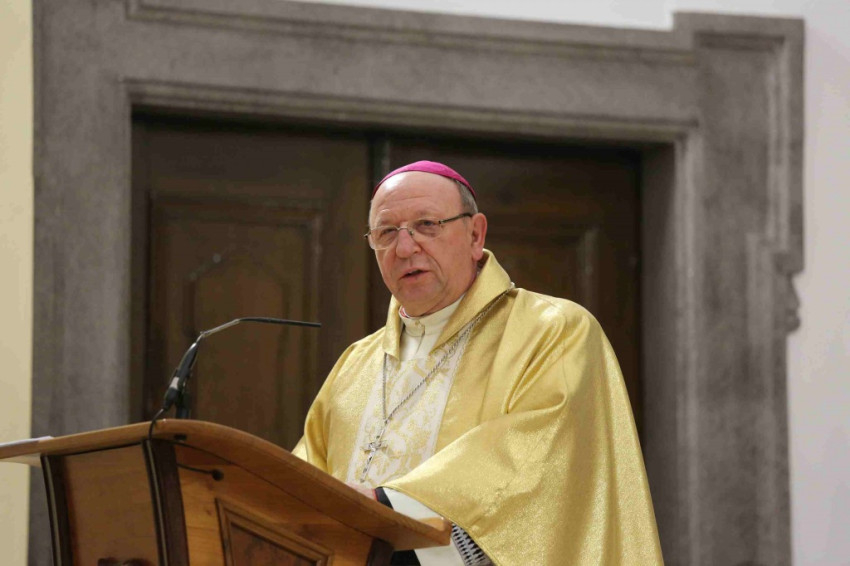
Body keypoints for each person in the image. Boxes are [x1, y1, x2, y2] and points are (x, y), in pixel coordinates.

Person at [293, 161, 662, 565]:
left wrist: (385, 508)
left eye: (427, 225)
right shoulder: (356, 364)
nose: (404, 248)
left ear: (475, 234)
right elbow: (295, 490)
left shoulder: (552, 330)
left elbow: (531, 469)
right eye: (386, 233)